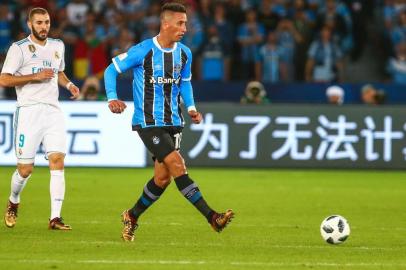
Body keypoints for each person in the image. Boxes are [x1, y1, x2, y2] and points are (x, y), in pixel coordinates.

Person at [104, 2, 234, 242]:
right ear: (165, 24)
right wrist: (112, 97)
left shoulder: (184, 53)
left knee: (162, 179)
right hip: (147, 121)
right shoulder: (143, 50)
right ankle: (212, 217)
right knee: (177, 164)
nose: (185, 28)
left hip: (174, 121)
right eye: (180, 23)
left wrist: (192, 108)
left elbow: (184, 82)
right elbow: (110, 71)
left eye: (186, 23)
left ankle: (131, 216)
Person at [0, 7, 80, 230]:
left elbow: (59, 73)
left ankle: (55, 218)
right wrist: (34, 76)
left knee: (58, 160)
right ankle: (14, 200)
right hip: (28, 112)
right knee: (25, 170)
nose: (44, 26)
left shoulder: (57, 46)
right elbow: (4, 80)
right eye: (39, 23)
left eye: (46, 22)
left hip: (53, 111)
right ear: (29, 24)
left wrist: (70, 84)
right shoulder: (19, 49)